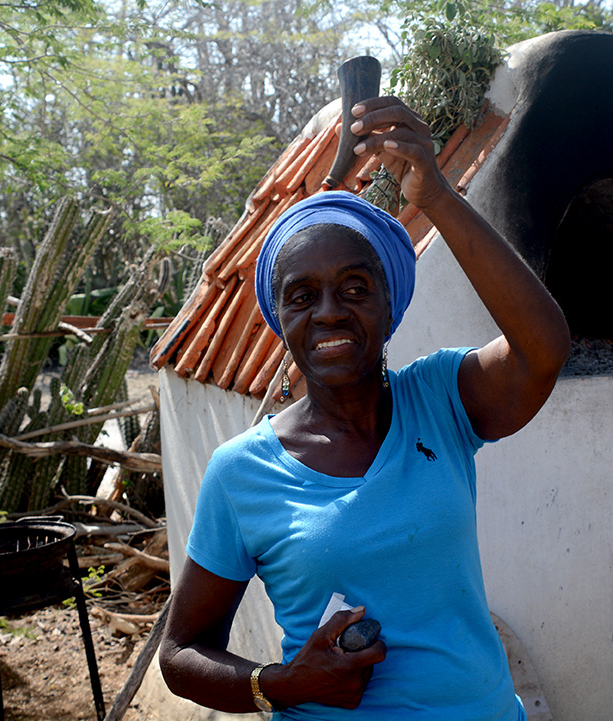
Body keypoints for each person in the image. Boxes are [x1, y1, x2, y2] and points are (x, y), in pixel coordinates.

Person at [159, 95, 571, 720]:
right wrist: (283, 683)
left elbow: (542, 349)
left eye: (355, 286)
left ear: (388, 304)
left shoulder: (440, 401)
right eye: (302, 295)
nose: (329, 310)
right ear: (281, 320)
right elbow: (182, 651)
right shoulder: (241, 472)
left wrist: (435, 197)